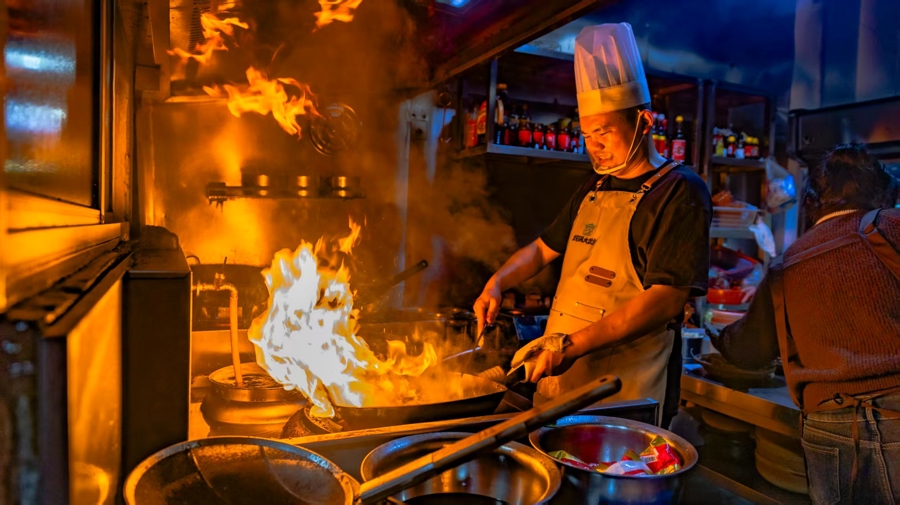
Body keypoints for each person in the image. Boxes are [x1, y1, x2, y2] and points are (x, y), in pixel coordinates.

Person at [473, 23, 711, 426]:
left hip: (622, 394)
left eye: (603, 133)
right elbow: (541, 250)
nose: (593, 147)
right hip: (559, 385)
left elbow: (666, 299)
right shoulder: (595, 186)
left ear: (644, 122)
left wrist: (570, 346)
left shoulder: (680, 191)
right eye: (586, 135)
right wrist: (497, 283)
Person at [711, 144, 900, 504]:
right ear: (885, 193)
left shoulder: (788, 263)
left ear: (812, 202)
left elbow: (749, 351)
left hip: (829, 426)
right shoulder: (893, 226)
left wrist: (718, 335)